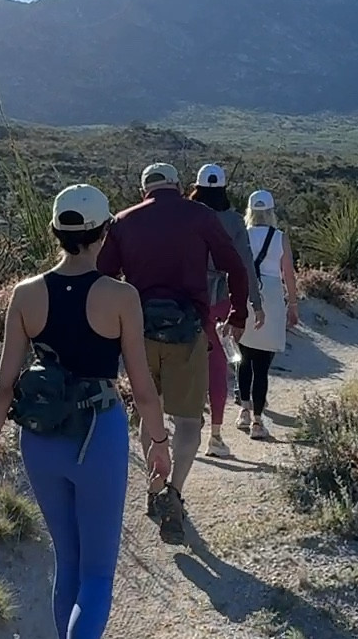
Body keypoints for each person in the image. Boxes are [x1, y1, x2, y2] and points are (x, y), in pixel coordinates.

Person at [0, 184, 171, 639]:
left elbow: (4, 387)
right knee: (100, 569)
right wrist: (157, 444)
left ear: (55, 233)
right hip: (97, 436)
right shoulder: (120, 297)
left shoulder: (26, 296)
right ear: (104, 234)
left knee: (69, 563)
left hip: (42, 441)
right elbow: (142, 385)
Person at [97, 162, 251, 544]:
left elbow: (101, 277)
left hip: (139, 333)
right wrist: (238, 313)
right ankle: (175, 493)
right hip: (189, 332)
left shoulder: (123, 221)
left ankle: (154, 487)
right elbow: (236, 267)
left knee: (150, 414)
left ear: (144, 189)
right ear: (179, 186)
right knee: (187, 422)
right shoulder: (200, 215)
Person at [188, 163, 262, 458]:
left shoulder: (186, 215)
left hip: (187, 297)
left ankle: (187, 426)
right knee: (217, 366)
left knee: (187, 364)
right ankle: (215, 436)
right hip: (220, 300)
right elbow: (244, 264)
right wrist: (254, 302)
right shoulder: (233, 221)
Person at [236, 189, 299, 441]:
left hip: (247, 292)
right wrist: (292, 304)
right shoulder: (280, 237)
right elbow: (289, 274)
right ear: (271, 212)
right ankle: (258, 421)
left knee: (244, 354)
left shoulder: (243, 236)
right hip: (272, 295)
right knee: (262, 363)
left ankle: (243, 409)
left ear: (250, 211)